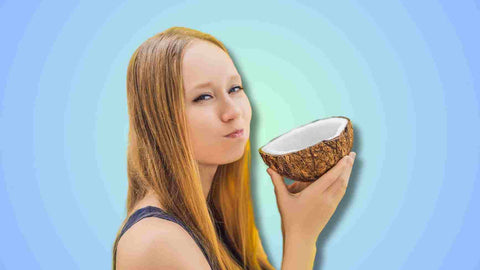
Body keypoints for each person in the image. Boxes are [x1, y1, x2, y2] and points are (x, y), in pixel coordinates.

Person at [112, 26, 356, 270]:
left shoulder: (215, 223)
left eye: (235, 89)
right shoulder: (156, 241)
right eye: (204, 97)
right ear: (158, 120)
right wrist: (301, 237)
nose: (233, 111)